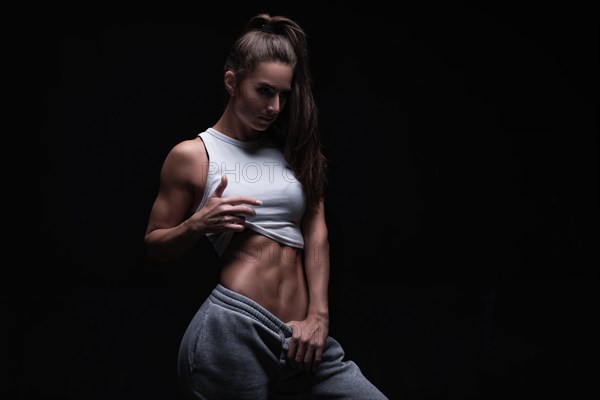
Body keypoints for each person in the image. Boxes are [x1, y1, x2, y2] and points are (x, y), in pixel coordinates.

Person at [144, 12, 388, 399]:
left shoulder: (295, 152)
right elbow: (155, 244)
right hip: (233, 330)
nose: (275, 106)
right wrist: (196, 224)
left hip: (301, 340)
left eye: (284, 94)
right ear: (232, 82)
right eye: (264, 91)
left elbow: (316, 231)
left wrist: (318, 317)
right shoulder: (193, 155)